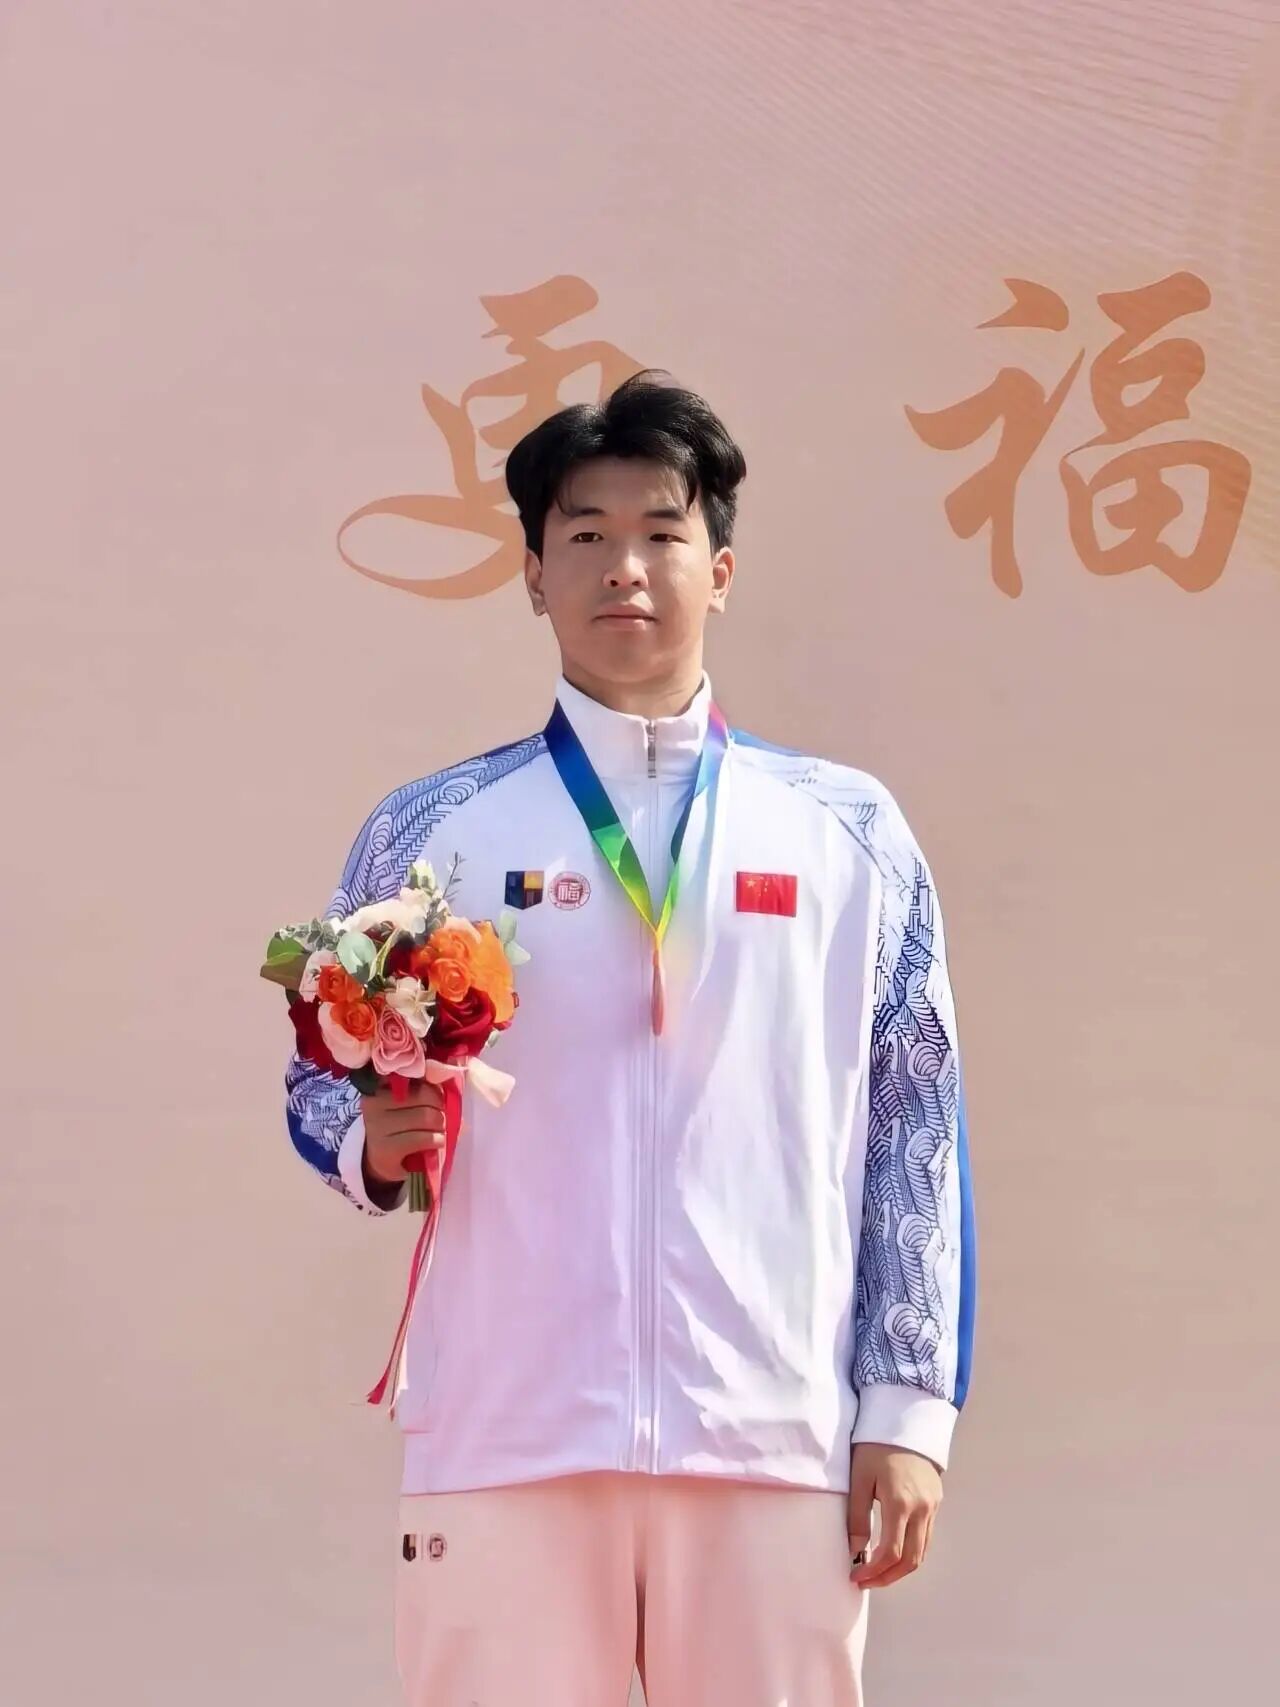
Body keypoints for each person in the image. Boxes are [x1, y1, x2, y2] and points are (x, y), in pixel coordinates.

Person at [284, 370, 977, 1706]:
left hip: (771, 1437)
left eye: (663, 532)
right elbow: (318, 1080)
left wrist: (905, 1415)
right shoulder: (434, 832)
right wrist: (371, 1143)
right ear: (533, 575)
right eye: (586, 535)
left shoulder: (849, 834)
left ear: (722, 569)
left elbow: (916, 1126)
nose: (626, 569)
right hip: (508, 1433)